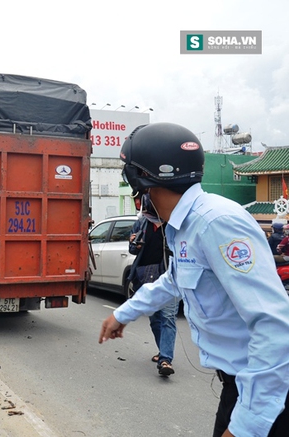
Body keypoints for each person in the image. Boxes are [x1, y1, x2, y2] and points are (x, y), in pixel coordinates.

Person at [98, 122, 289, 437]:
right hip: (241, 385)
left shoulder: (215, 223)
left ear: (143, 180)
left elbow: (274, 326)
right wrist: (124, 313)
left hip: (267, 393)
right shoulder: (184, 226)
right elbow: (175, 279)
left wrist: (246, 426)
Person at [128, 194, 178, 376]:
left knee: (168, 317)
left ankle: (166, 359)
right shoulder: (141, 223)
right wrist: (134, 243)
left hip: (170, 278)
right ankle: (162, 351)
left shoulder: (173, 224)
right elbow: (132, 249)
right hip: (146, 278)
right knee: (155, 318)